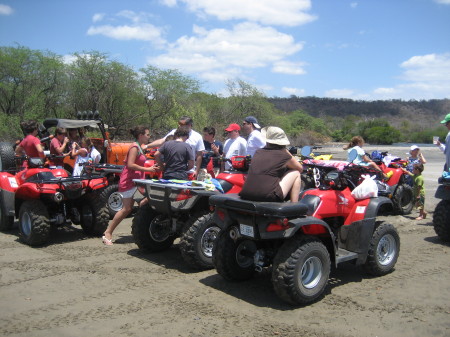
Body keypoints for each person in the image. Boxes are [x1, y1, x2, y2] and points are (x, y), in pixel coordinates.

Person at [102, 126, 158, 246]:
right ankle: (108, 232)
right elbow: (130, 164)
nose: (149, 137)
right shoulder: (134, 147)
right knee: (126, 209)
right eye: (147, 135)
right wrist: (147, 169)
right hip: (130, 182)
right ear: (140, 135)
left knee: (145, 202)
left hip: (137, 182)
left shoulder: (139, 147)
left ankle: (141, 229)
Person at [239, 126, 303, 202]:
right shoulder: (284, 156)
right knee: (296, 173)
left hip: (246, 193)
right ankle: (294, 206)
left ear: (267, 140)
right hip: (268, 196)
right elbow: (300, 168)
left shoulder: (258, 152)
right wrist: (285, 151)